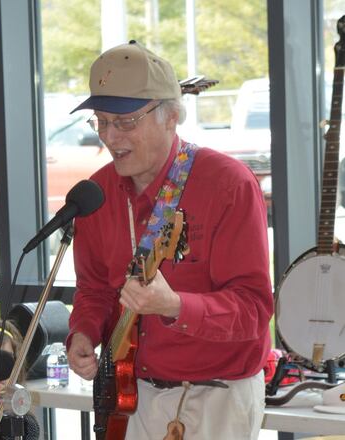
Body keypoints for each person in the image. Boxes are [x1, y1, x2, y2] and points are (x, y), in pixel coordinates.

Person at [66, 41, 273, 439]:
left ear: (171, 117)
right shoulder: (97, 192)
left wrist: (175, 305)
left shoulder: (227, 185)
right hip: (131, 394)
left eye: (125, 122)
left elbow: (254, 310)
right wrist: (83, 332)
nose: (109, 136)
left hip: (218, 396)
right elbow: (93, 287)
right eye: (101, 121)